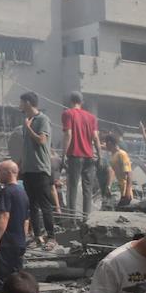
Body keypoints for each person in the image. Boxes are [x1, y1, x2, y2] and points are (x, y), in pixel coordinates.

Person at [12, 93, 56, 244]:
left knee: (45, 205)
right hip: (28, 170)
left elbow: (42, 140)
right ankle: (37, 235)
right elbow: (27, 148)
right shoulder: (27, 121)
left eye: (21, 102)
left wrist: (28, 128)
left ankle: (51, 237)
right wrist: (18, 165)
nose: (19, 105)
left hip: (40, 169)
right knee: (32, 206)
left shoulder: (42, 119)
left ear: (28, 103)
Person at [0, 160, 31, 290]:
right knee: (16, 279)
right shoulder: (23, 193)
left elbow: (4, 215)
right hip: (18, 243)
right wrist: (22, 240)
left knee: (1, 280)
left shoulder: (7, 192)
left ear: (8, 173)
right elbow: (26, 220)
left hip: (6, 243)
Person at [61, 92, 101, 222]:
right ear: (82, 102)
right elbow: (95, 137)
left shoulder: (68, 113)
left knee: (72, 188)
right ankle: (86, 219)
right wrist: (99, 155)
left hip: (74, 156)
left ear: (71, 101)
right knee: (87, 189)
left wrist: (63, 155)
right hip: (89, 156)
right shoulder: (91, 117)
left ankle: (72, 220)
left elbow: (68, 134)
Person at [105, 133, 137, 207]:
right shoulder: (113, 155)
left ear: (109, 143)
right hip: (119, 189)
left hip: (125, 191)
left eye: (106, 143)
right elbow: (113, 171)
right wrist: (109, 186)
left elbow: (129, 173)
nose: (105, 146)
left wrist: (128, 192)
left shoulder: (122, 154)